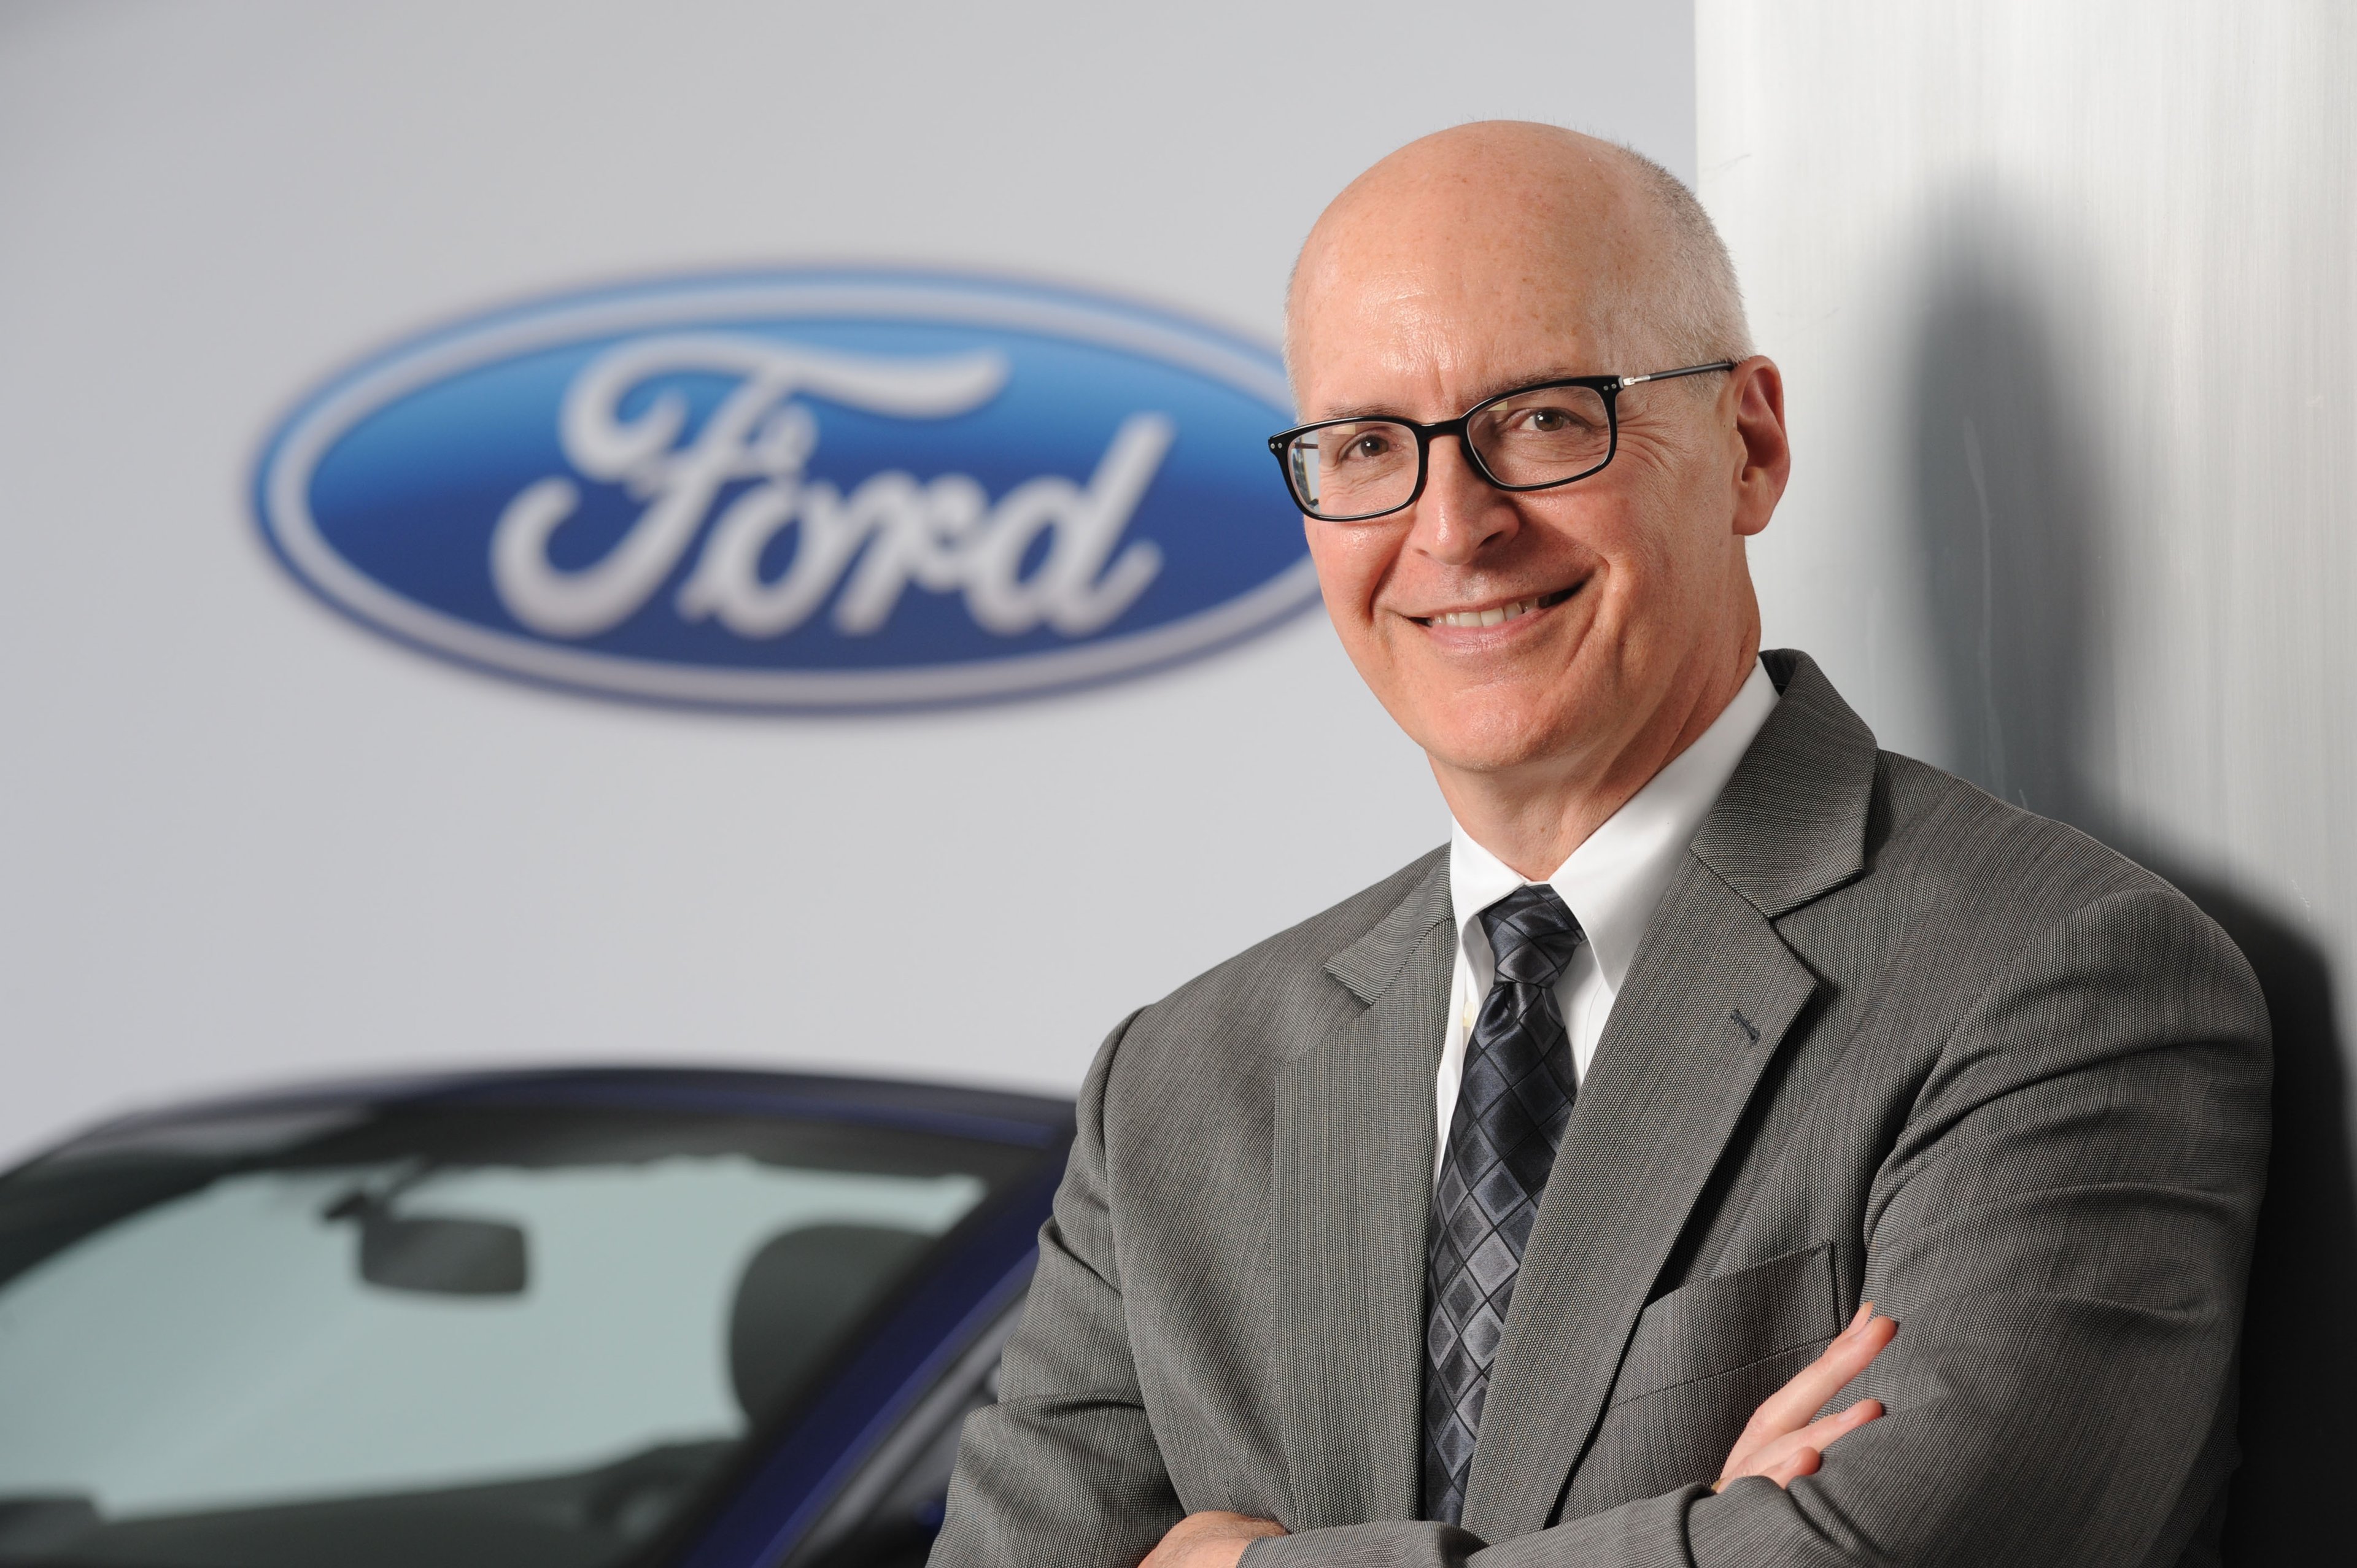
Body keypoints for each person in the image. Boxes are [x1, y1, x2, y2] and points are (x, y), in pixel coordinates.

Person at [927, 122, 2269, 1568]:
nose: (1452, 529)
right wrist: (1712, 1536)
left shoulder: (2055, 982)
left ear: (1747, 446)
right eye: (1369, 446)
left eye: (1547, 418)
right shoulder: (1176, 1091)